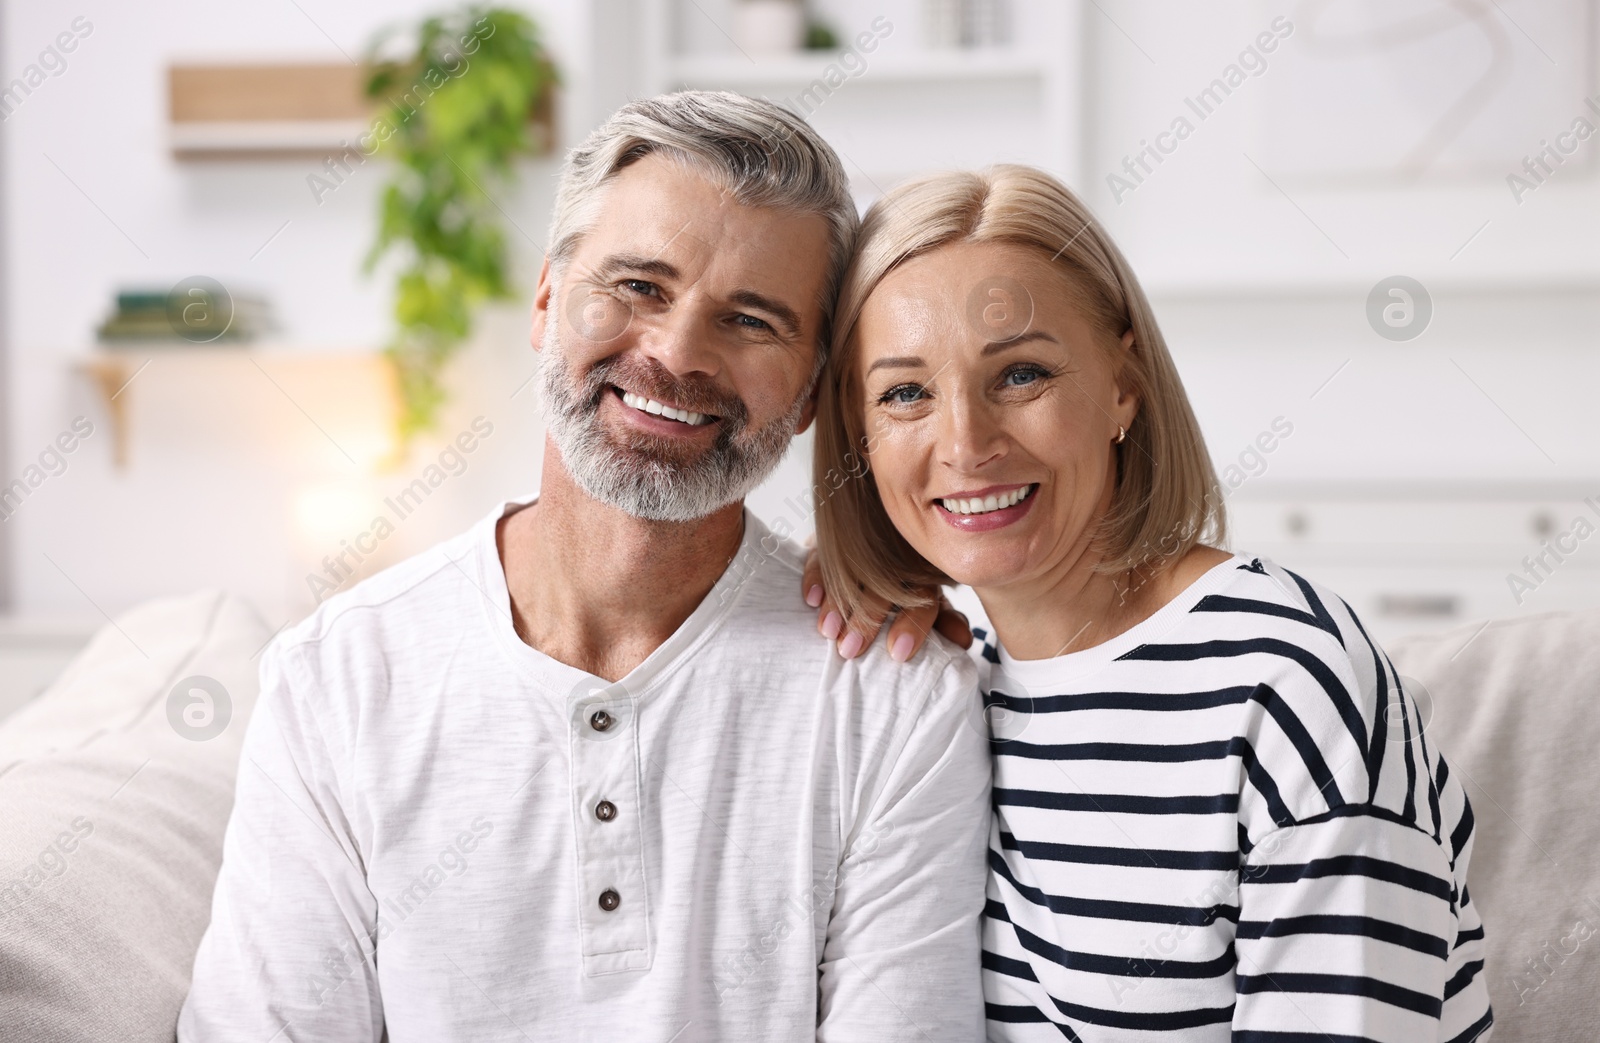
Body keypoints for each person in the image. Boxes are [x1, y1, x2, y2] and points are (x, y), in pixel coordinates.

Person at [178, 92, 991, 1042]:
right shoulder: (338, 679)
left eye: (752, 320)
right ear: (546, 299)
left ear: (813, 390)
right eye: (640, 286)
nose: (677, 353)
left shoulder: (899, 695)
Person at [803, 165, 1493, 1041]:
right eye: (905, 393)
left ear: (1123, 383)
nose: (966, 443)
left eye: (1020, 374)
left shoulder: (1289, 684)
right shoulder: (939, 676)